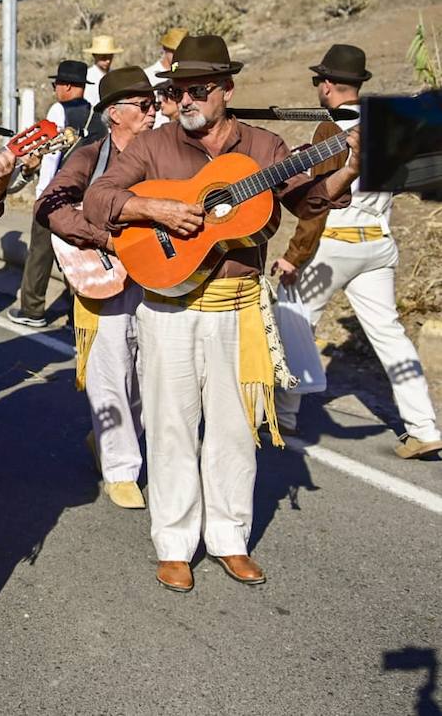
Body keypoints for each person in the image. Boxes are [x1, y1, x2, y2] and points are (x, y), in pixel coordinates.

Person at [84, 34, 358, 593]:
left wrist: (350, 168)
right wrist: (153, 206)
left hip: (237, 307)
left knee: (235, 428)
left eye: (199, 90)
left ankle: (230, 538)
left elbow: (308, 202)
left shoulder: (266, 147)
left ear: (226, 90)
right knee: (169, 424)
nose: (185, 100)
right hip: (167, 306)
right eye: (178, 90)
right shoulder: (153, 147)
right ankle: (175, 543)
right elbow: (98, 199)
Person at [272, 45, 442, 457]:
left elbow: (318, 204)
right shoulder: (387, 127)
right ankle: (423, 425)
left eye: (318, 81)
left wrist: (293, 256)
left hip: (336, 241)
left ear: (327, 85)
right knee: (391, 335)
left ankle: (284, 414)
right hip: (379, 241)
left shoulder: (329, 132)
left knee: (294, 318)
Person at [35, 67, 158, 509]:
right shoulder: (89, 157)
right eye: (144, 107)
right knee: (111, 368)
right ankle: (121, 468)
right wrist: (106, 240)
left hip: (159, 275)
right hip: (104, 273)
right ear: (114, 114)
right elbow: (50, 205)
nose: (153, 113)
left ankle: (108, 438)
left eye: (154, 105)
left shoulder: (166, 152)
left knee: (152, 372)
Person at [8, 59, 100, 328]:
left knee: (40, 253)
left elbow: (50, 157)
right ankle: (77, 315)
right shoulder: (96, 116)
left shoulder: (58, 111)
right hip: (83, 197)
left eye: (56, 84)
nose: (54, 89)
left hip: (55, 195)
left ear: (67, 86)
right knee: (77, 255)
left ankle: (32, 309)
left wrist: (41, 194)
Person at [81, 35, 121, 105]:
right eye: (104, 57)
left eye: (110, 56)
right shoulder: (87, 76)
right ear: (94, 55)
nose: (108, 61)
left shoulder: (116, 76)